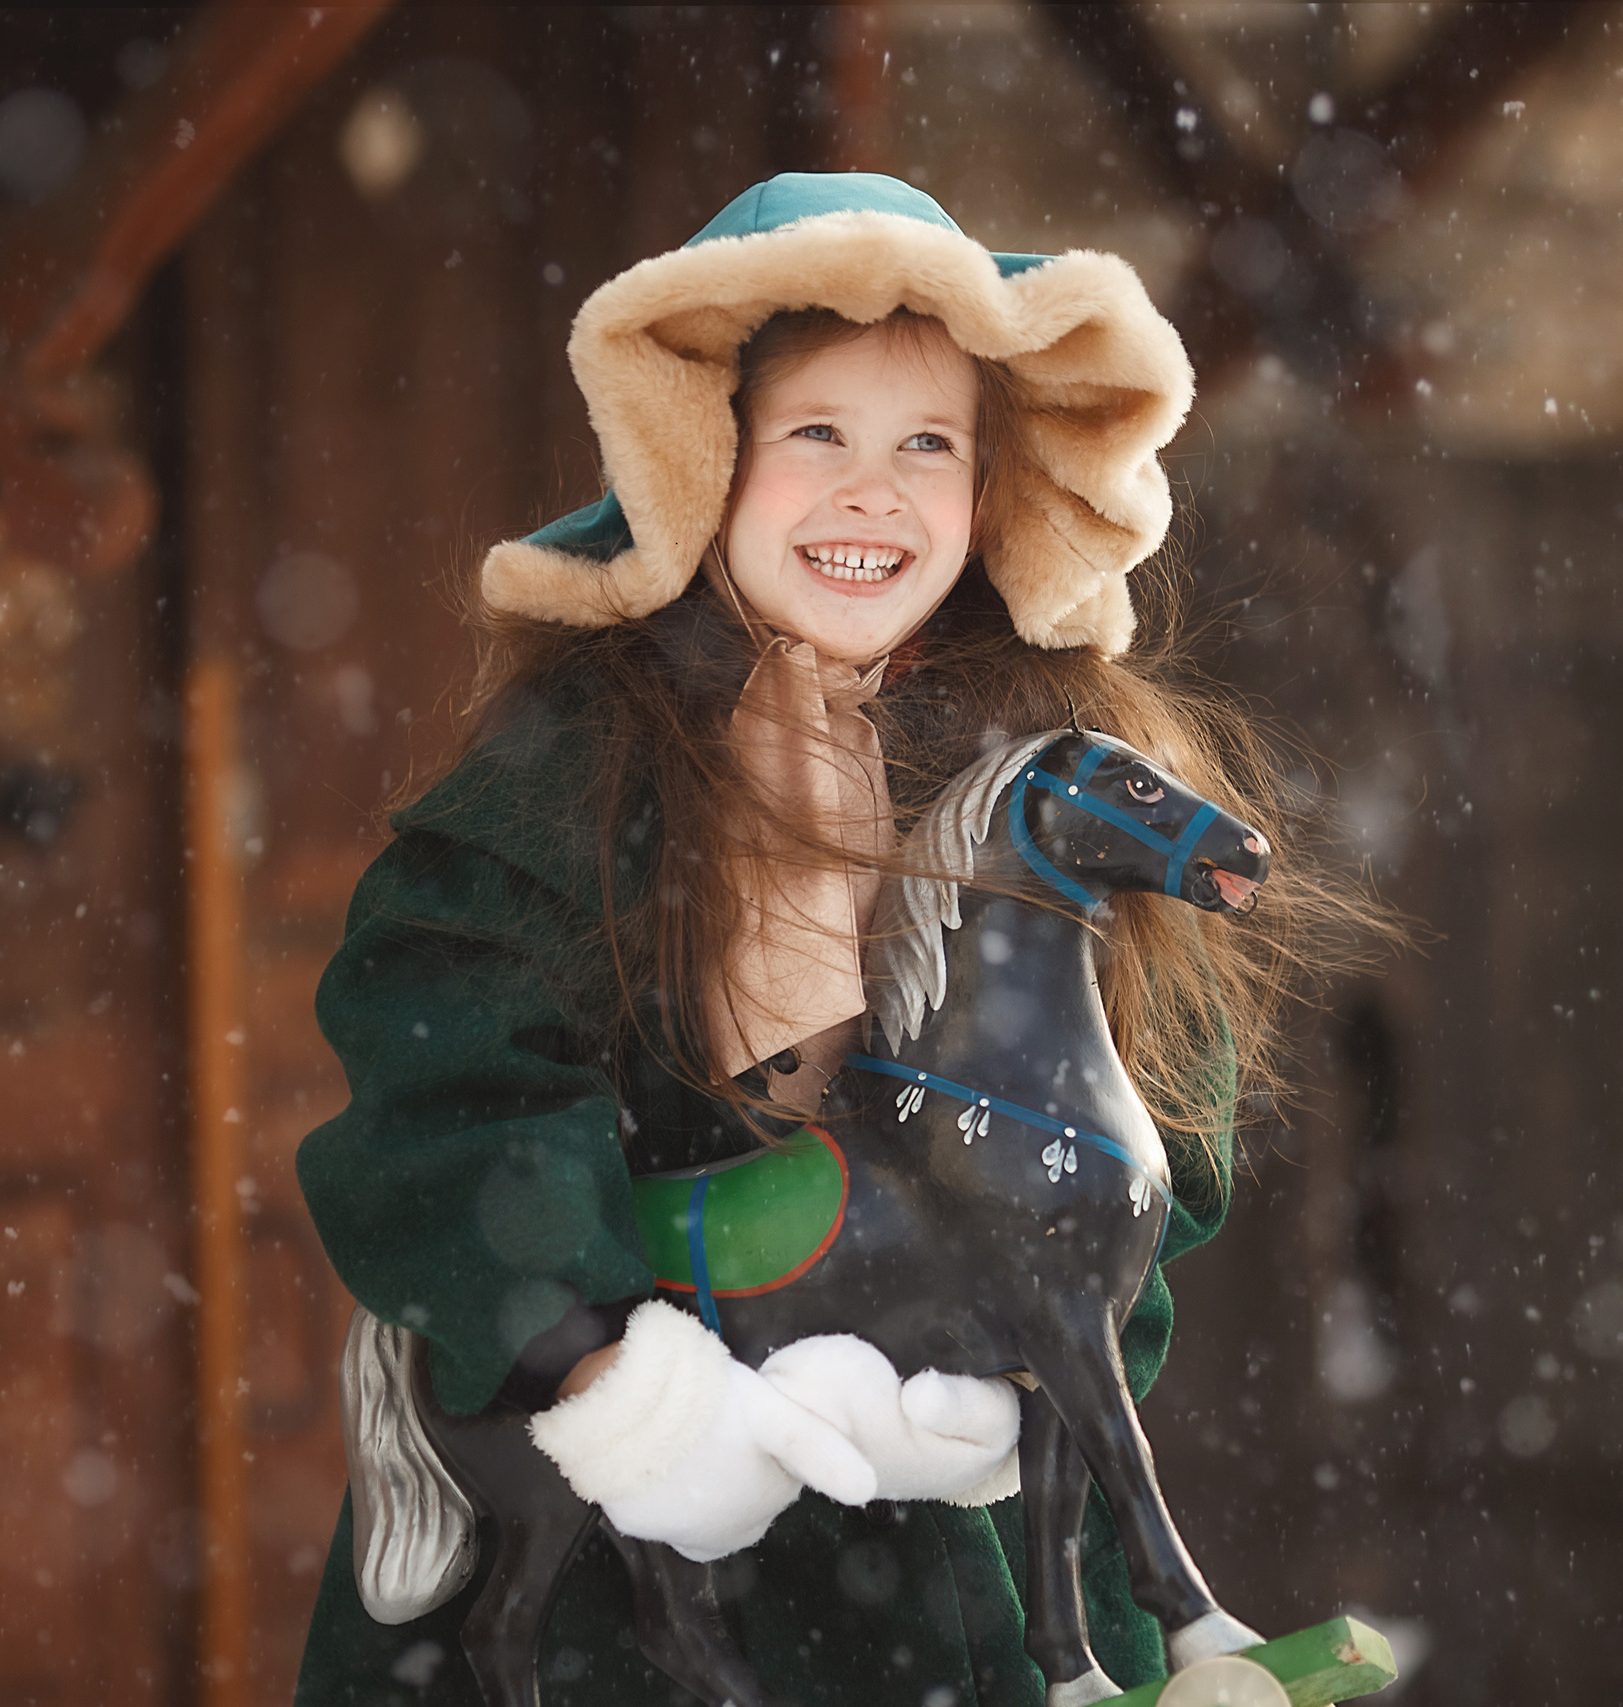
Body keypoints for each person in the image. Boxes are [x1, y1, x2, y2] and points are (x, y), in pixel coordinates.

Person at [293, 172, 1342, 1706]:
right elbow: (447, 1106)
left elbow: (1151, 1127)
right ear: (707, 461)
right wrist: (622, 1391)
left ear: (990, 488)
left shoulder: (1050, 755)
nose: (876, 493)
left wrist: (1015, 1379)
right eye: (817, 439)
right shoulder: (576, 771)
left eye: (930, 444)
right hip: (619, 1546)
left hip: (958, 1561)